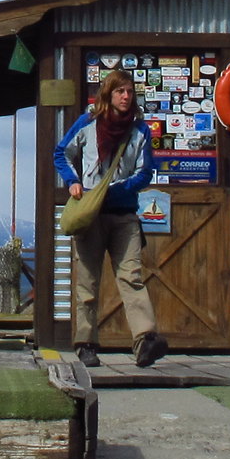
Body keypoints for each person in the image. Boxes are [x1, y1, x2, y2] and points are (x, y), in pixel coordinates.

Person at [53, 68, 167, 370]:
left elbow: (144, 173)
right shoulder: (88, 122)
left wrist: (116, 189)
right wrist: (73, 181)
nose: (126, 97)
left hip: (124, 214)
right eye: (120, 91)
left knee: (131, 276)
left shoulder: (140, 131)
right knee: (88, 281)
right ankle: (86, 343)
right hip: (90, 213)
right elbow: (61, 152)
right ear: (109, 93)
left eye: (129, 91)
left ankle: (145, 340)